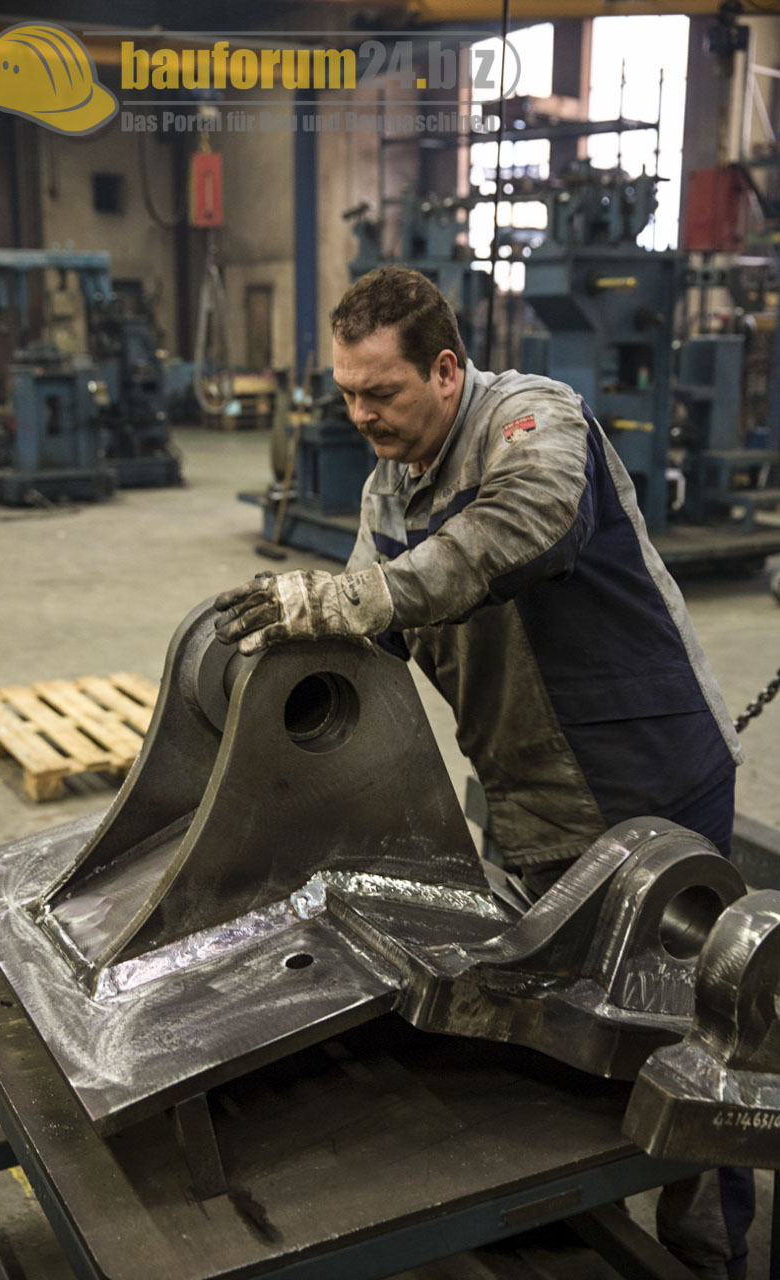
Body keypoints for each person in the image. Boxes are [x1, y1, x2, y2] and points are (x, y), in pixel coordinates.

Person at [214, 266, 753, 1278]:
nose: (360, 415)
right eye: (347, 394)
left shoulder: (532, 420)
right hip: (528, 793)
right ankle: (569, 1224)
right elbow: (363, 647)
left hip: (646, 774)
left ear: (446, 370)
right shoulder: (388, 492)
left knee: (693, 1034)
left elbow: (524, 529)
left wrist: (358, 599)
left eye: (381, 391)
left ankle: (706, 1247)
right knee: (562, 1025)